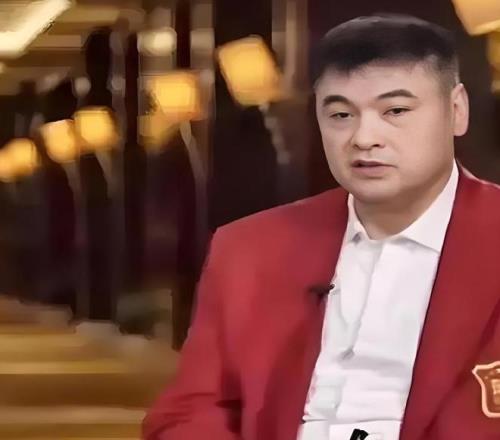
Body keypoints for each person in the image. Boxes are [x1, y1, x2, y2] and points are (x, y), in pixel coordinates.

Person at [143, 14, 500, 440]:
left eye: (395, 111)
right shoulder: (250, 248)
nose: (364, 138)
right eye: (341, 114)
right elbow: (188, 411)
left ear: (456, 110)